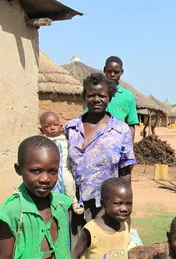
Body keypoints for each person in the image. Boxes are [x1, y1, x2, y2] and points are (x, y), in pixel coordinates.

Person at [65, 72, 136, 241]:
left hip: (106, 205)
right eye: (91, 95)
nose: (96, 99)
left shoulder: (121, 130)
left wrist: (124, 204)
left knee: (104, 254)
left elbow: (125, 171)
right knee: (77, 254)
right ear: (84, 97)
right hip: (75, 204)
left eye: (101, 95)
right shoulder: (71, 128)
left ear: (109, 97)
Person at [38, 111, 83, 214]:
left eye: (55, 125)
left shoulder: (66, 141)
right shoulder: (42, 143)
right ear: (41, 129)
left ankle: (74, 203)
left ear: (61, 126)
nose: (52, 128)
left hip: (64, 169)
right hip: (50, 172)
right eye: (47, 126)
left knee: (69, 183)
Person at [103, 56, 140, 141]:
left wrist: (130, 148)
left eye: (116, 72)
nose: (112, 75)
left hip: (118, 144)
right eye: (109, 71)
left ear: (122, 72)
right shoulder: (96, 93)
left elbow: (131, 125)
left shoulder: (128, 97)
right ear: (104, 70)